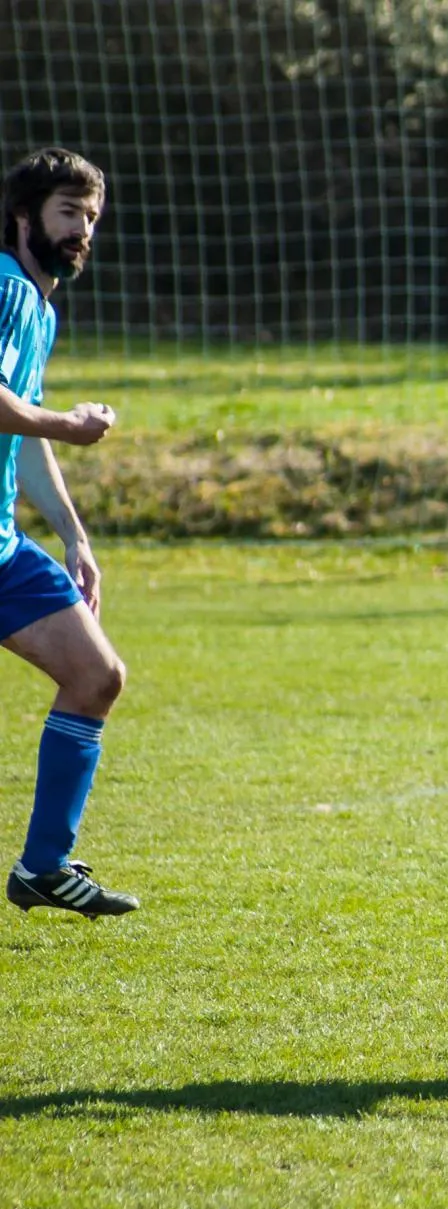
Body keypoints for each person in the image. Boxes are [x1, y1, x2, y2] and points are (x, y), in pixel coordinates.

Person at [0, 148, 134, 920]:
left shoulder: (39, 309)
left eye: (91, 216)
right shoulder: (5, 288)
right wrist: (69, 423)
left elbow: (20, 431)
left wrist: (75, 536)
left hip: (3, 547)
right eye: (68, 213)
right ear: (24, 217)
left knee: (96, 674)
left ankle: (43, 867)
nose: (82, 229)